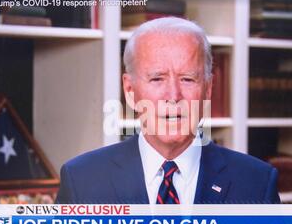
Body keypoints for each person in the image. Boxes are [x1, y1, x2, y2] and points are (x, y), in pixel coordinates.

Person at [56, 17, 280, 204]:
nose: (173, 96)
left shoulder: (257, 183)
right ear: (130, 90)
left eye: (187, 79)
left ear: (208, 88)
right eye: (156, 79)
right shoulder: (81, 181)